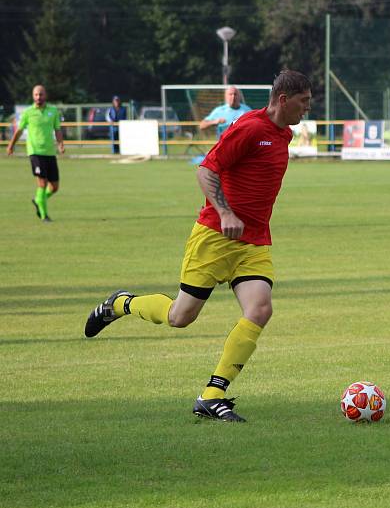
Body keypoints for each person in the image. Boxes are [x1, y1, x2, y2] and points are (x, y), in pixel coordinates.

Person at [83, 70, 313, 422]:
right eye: (304, 101)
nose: (307, 108)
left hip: (253, 243)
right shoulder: (249, 128)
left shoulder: (284, 136)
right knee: (180, 316)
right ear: (283, 99)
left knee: (260, 310)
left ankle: (212, 395)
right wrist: (224, 212)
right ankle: (121, 304)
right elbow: (206, 170)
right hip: (215, 237)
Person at [6, 84, 64, 222]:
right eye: (36, 94)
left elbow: (57, 129)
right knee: (42, 183)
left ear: (45, 95)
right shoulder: (28, 112)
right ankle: (44, 216)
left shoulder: (53, 111)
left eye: (41, 94)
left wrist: (61, 144)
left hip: (50, 152)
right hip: (35, 152)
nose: (39, 97)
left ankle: (38, 199)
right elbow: (19, 130)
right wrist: (11, 145)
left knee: (54, 187)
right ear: (33, 96)